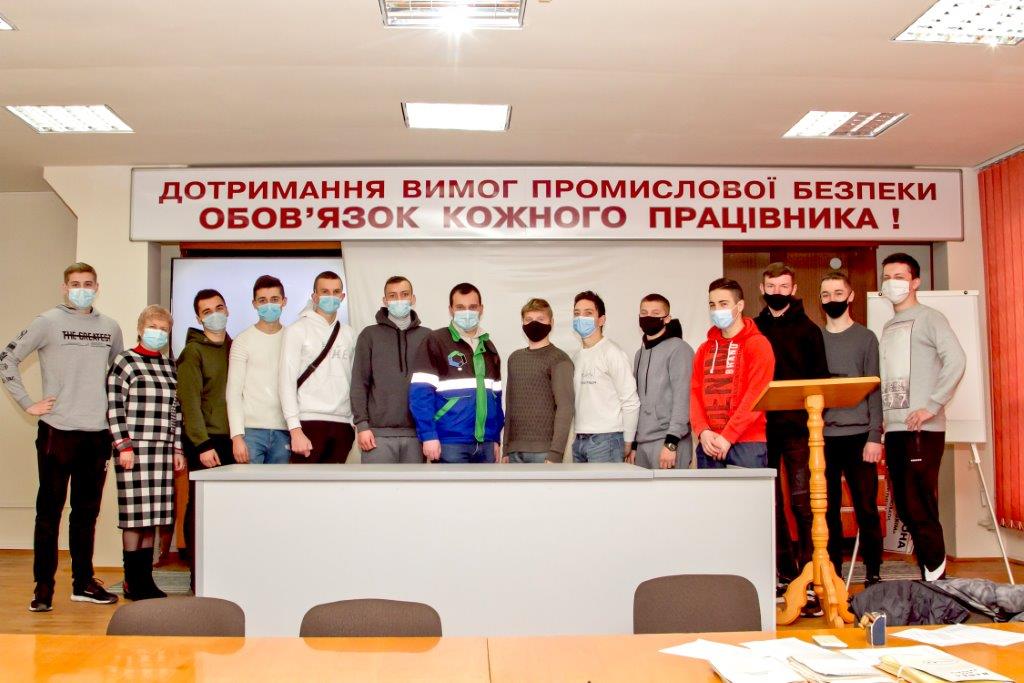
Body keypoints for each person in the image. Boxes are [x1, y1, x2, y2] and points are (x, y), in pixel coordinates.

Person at [0, 262, 122, 611]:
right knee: (49, 513)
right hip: (58, 432)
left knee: (86, 515)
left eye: (88, 283)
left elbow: (118, 377)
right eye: (75, 283)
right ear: (64, 288)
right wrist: (28, 403)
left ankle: (83, 583)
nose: (82, 289)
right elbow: (6, 358)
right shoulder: (47, 322)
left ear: (97, 287)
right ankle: (43, 589)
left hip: (97, 434)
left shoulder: (110, 328)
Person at [879, 252, 965, 581]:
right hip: (896, 431)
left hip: (922, 431)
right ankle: (928, 575)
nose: (892, 283)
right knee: (904, 507)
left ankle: (939, 584)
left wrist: (932, 405)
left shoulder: (930, 318)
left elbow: (956, 360)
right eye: (887, 277)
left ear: (915, 282)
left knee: (921, 508)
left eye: (899, 277)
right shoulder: (889, 325)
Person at [754, 262, 830, 605]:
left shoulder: (810, 330)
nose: (777, 292)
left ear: (794, 289)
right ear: (762, 289)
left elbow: (821, 382)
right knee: (768, 502)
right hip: (760, 428)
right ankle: (782, 571)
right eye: (771, 287)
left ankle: (810, 572)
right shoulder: (753, 329)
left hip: (799, 430)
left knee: (803, 502)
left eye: (783, 287)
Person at [107, 305, 185, 600]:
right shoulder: (125, 361)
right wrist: (123, 445)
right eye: (153, 327)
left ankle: (145, 580)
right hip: (133, 450)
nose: (158, 333)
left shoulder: (170, 366)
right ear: (140, 329)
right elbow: (114, 406)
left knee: (153, 517)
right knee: (134, 519)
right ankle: (131, 581)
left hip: (162, 450)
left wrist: (177, 447)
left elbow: (176, 411)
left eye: (164, 329)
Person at [819, 270, 884, 587]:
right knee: (827, 510)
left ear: (850, 296)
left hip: (860, 437)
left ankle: (873, 573)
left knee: (866, 508)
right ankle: (833, 574)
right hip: (823, 439)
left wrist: (875, 436)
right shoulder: (815, 339)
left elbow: (874, 390)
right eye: (826, 295)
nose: (832, 299)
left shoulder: (866, 338)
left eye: (837, 293)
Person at [409, 283, 503, 464]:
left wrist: (495, 438)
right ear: (451, 309)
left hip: (486, 444)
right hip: (449, 443)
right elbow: (420, 393)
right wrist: (428, 435)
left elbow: (496, 398)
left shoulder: (489, 347)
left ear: (481, 309)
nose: (467, 313)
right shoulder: (435, 341)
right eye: (460, 307)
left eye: (472, 307)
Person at [178, 288, 234, 588]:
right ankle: (196, 574)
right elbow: (189, 402)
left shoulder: (233, 347)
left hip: (231, 438)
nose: (215, 315)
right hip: (205, 441)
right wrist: (202, 444)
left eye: (219, 308)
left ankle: (224, 569)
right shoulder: (193, 352)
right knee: (201, 507)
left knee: (227, 508)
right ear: (199, 318)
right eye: (207, 311)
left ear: (228, 310)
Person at [691, 278, 774, 469]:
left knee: (747, 491)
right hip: (709, 443)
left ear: (740, 306)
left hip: (747, 443)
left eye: (723, 304)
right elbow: (694, 394)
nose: (716, 310)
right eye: (712, 305)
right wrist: (702, 431)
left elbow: (756, 396)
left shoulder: (758, 345)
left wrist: (728, 436)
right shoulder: (704, 349)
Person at [279, 271, 357, 464]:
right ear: (314, 296)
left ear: (342, 297)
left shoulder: (349, 334)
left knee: (336, 484)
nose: (331, 296)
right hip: (308, 422)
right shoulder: (297, 330)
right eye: (325, 292)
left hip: (342, 424)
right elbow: (286, 381)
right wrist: (295, 429)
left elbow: (354, 380)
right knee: (303, 483)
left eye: (336, 292)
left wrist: (352, 422)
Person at [351, 276, 430, 464]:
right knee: (376, 485)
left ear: (413, 298)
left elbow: (432, 388)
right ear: (385, 300)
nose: (399, 300)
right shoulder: (369, 335)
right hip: (377, 436)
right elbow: (359, 383)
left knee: (414, 485)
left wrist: (430, 432)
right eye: (393, 296)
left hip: (417, 436)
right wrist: (362, 426)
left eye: (404, 294)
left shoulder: (427, 337)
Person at [227, 275, 290, 465]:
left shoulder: (292, 338)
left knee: (282, 485)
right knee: (248, 485)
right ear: (254, 304)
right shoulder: (243, 340)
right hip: (250, 433)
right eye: (262, 300)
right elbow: (233, 392)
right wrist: (237, 436)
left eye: (274, 299)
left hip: (284, 431)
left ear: (284, 301)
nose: (269, 305)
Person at [570, 291, 640, 463]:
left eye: (588, 313)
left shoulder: (612, 352)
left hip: (606, 440)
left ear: (601, 320)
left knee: (604, 483)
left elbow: (630, 400)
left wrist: (628, 441)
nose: (581, 318)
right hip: (579, 439)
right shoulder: (576, 357)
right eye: (577, 313)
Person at [503, 298, 574, 464]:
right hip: (514, 452)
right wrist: (506, 448)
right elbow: (510, 405)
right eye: (529, 319)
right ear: (522, 323)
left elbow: (565, 407)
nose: (534, 324)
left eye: (540, 319)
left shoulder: (559, 359)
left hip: (545, 452)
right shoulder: (515, 358)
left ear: (551, 322)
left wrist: (555, 453)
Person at [630, 294, 695, 469]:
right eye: (644, 313)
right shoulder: (639, 354)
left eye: (655, 313)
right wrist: (635, 444)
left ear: (667, 318)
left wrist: (671, 442)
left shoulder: (679, 349)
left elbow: (683, 397)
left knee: (671, 489)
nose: (648, 317)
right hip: (643, 443)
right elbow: (636, 400)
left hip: (668, 442)